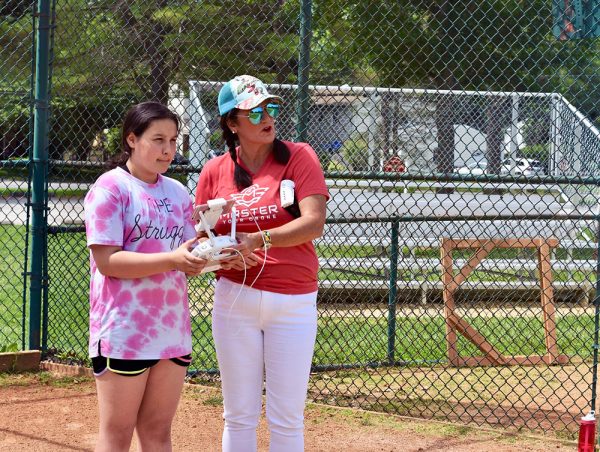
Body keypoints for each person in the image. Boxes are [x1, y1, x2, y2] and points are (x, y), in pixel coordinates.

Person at [195, 75, 329, 452]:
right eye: (254, 112)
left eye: (270, 108)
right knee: (239, 414)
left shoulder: (298, 155)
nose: (267, 117)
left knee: (286, 418)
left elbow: (313, 222)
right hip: (234, 298)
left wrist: (260, 239)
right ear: (232, 124)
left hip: (292, 301)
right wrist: (222, 253)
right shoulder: (214, 171)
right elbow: (203, 235)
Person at [84, 101, 207, 452]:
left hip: (171, 330)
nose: (168, 150)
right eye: (158, 140)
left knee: (157, 431)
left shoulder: (178, 191)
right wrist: (173, 259)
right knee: (118, 433)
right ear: (132, 140)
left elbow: (188, 250)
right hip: (125, 330)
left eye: (173, 140)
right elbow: (108, 262)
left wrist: (213, 246)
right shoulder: (110, 188)